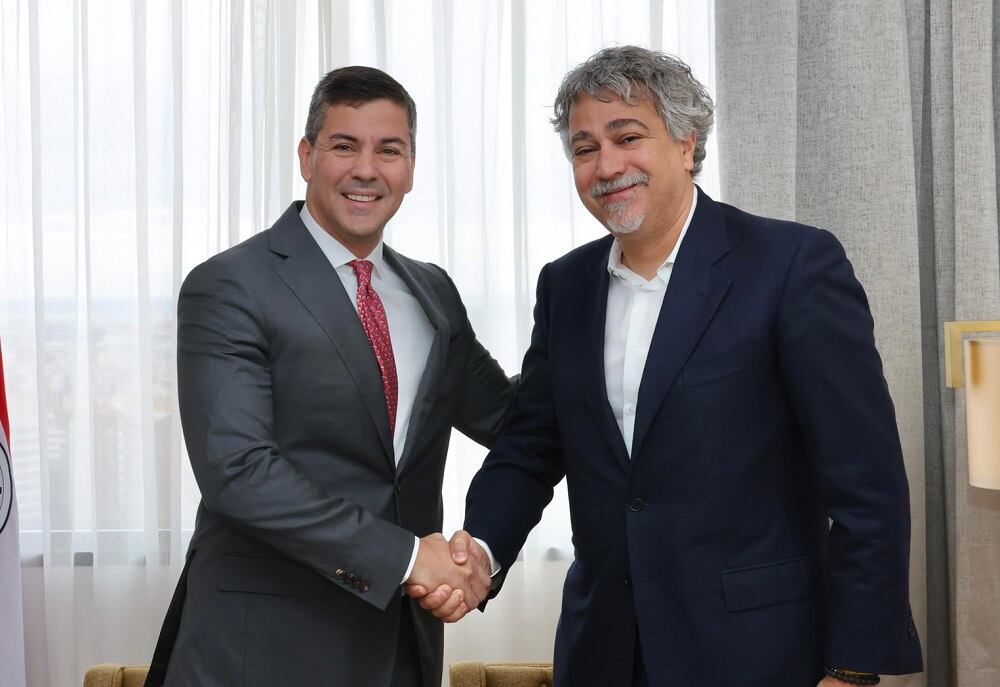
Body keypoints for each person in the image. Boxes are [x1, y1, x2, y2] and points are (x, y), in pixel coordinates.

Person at [411, 46, 924, 686]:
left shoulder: (790, 265)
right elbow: (531, 446)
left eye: (628, 137)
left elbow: (867, 484)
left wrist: (852, 668)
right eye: (584, 148)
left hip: (760, 657)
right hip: (603, 655)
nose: (607, 166)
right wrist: (480, 553)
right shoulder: (565, 286)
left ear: (686, 143)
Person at [144, 66, 515, 687]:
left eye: (388, 150)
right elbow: (239, 472)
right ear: (307, 156)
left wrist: (596, 341)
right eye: (345, 146)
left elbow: (512, 422)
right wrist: (407, 558)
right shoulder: (230, 284)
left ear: (411, 168)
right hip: (264, 648)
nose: (366, 169)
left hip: (402, 644)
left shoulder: (433, 293)